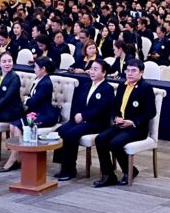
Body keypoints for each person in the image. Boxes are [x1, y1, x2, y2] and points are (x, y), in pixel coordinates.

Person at [93, 59, 157, 187]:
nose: (130, 73)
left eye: (133, 71)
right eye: (128, 70)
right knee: (100, 139)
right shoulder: (123, 85)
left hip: (136, 128)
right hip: (120, 125)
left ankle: (129, 171)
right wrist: (116, 117)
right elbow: (115, 106)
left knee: (115, 143)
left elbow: (151, 112)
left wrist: (133, 122)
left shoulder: (145, 88)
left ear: (141, 72)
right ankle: (108, 175)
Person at [55, 60, 115, 181]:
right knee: (60, 131)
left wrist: (83, 116)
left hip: (97, 123)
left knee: (71, 134)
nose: (92, 72)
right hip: (82, 119)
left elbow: (101, 109)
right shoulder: (86, 85)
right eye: (91, 69)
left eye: (96, 69)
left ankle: (70, 169)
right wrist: (77, 116)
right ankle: (63, 165)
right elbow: (77, 103)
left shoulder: (107, 88)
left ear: (104, 73)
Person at [0, 57, 61, 173]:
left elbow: (33, 101)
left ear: (43, 69)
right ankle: (18, 156)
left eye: (36, 67)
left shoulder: (46, 83)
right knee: (12, 125)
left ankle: (14, 159)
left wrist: (27, 100)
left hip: (46, 115)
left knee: (17, 126)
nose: (34, 69)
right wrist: (28, 100)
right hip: (36, 112)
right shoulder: (38, 79)